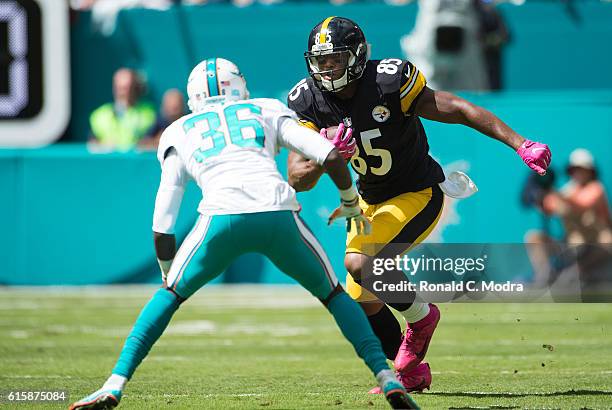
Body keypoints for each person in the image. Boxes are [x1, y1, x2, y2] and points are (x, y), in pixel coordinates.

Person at [70, 58, 418, 410]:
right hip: (278, 214)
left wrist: (167, 273)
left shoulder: (178, 130)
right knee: (334, 295)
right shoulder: (264, 108)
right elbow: (328, 154)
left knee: (168, 297)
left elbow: (163, 221)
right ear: (238, 85)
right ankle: (386, 377)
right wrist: (349, 202)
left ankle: (114, 384)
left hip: (220, 218)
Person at [286, 16, 551, 393]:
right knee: (364, 304)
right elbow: (298, 176)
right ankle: (409, 373)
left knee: (360, 264)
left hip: (418, 192)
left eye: (336, 59)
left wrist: (519, 142)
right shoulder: (307, 100)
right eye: (321, 61)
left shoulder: (388, 81)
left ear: (359, 57)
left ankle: (422, 318)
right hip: (369, 201)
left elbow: (456, 107)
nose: (327, 69)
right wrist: (325, 157)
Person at [526, 148, 612, 292]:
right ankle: (545, 277)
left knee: (607, 240)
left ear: (591, 171)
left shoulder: (597, 188)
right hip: (573, 246)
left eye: (582, 169)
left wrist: (555, 194)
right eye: (574, 169)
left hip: (596, 247)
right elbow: (546, 206)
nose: (578, 173)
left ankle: (577, 272)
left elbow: (582, 204)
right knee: (534, 237)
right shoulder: (567, 191)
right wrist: (539, 194)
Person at [89, 68, 157, 151]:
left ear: (135, 89)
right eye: (119, 88)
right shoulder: (99, 115)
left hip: (136, 162)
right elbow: (92, 144)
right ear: (114, 88)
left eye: (127, 88)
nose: (123, 92)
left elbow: (153, 139)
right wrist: (102, 146)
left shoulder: (148, 113)